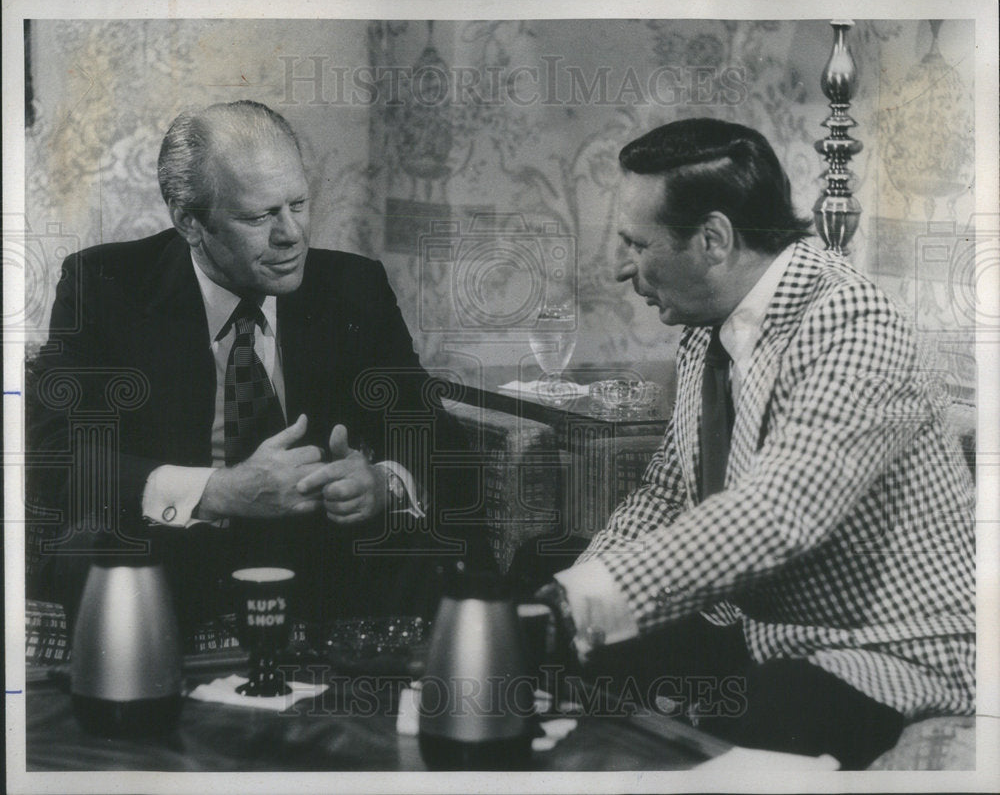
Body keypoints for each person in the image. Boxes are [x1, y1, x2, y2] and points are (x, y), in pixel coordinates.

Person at [534, 118, 975, 769]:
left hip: (888, 650)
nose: (622, 268)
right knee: (533, 580)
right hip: (763, 630)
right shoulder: (707, 329)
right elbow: (664, 494)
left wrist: (579, 608)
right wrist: (565, 597)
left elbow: (778, 515)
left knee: (753, 714)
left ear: (712, 239)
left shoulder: (854, 326)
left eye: (636, 243)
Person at [27, 100, 485, 637]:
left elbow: (433, 432)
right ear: (188, 221)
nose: (290, 234)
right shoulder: (104, 285)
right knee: (96, 554)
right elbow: (52, 452)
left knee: (425, 552)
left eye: (298, 204)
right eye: (259, 216)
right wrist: (219, 490)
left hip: (321, 554)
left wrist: (383, 483)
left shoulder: (352, 288)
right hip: (173, 551)